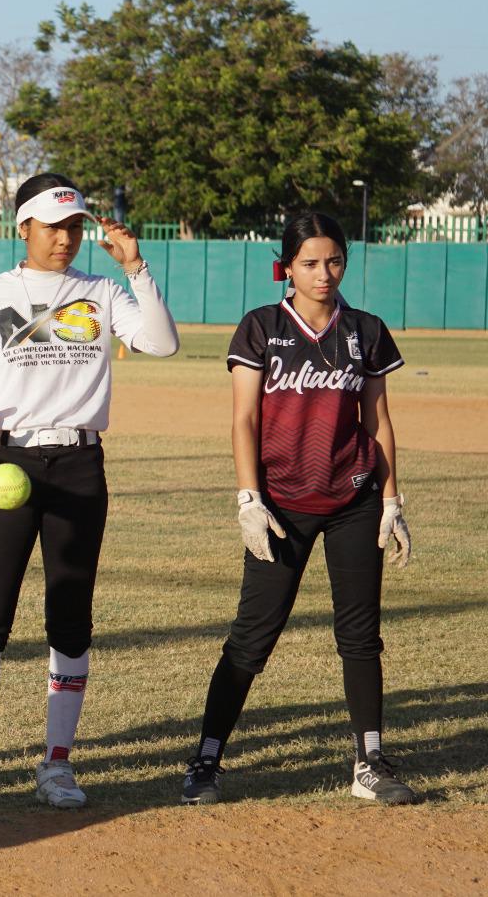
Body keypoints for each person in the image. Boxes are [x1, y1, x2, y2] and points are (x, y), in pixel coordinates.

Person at [0, 173, 180, 810]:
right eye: (53, 226)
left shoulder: (100, 292)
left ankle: (57, 764)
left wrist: (137, 267)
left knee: (69, 618)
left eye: (74, 227)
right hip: (6, 461)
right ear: (24, 228)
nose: (65, 238)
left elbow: (162, 341)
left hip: (79, 465)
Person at [180, 212, 416, 806]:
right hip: (280, 502)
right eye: (310, 262)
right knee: (253, 636)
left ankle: (369, 762)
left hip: (353, 498)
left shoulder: (365, 329)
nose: (324, 273)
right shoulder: (260, 327)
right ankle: (207, 759)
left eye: (334, 260)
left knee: (361, 636)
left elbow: (378, 422)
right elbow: (244, 419)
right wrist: (248, 497)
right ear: (286, 266)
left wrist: (390, 499)